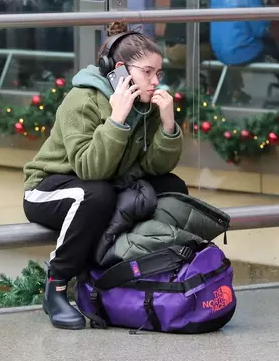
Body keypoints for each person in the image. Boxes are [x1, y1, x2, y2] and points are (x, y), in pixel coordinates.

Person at [21, 22, 188, 331]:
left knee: (171, 187)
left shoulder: (145, 105)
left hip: (104, 185)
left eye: (159, 73)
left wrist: (167, 126)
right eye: (147, 72)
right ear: (119, 70)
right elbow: (89, 169)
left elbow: (154, 167)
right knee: (96, 194)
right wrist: (117, 120)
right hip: (49, 188)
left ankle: (149, 272)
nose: (156, 82)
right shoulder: (82, 99)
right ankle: (57, 287)